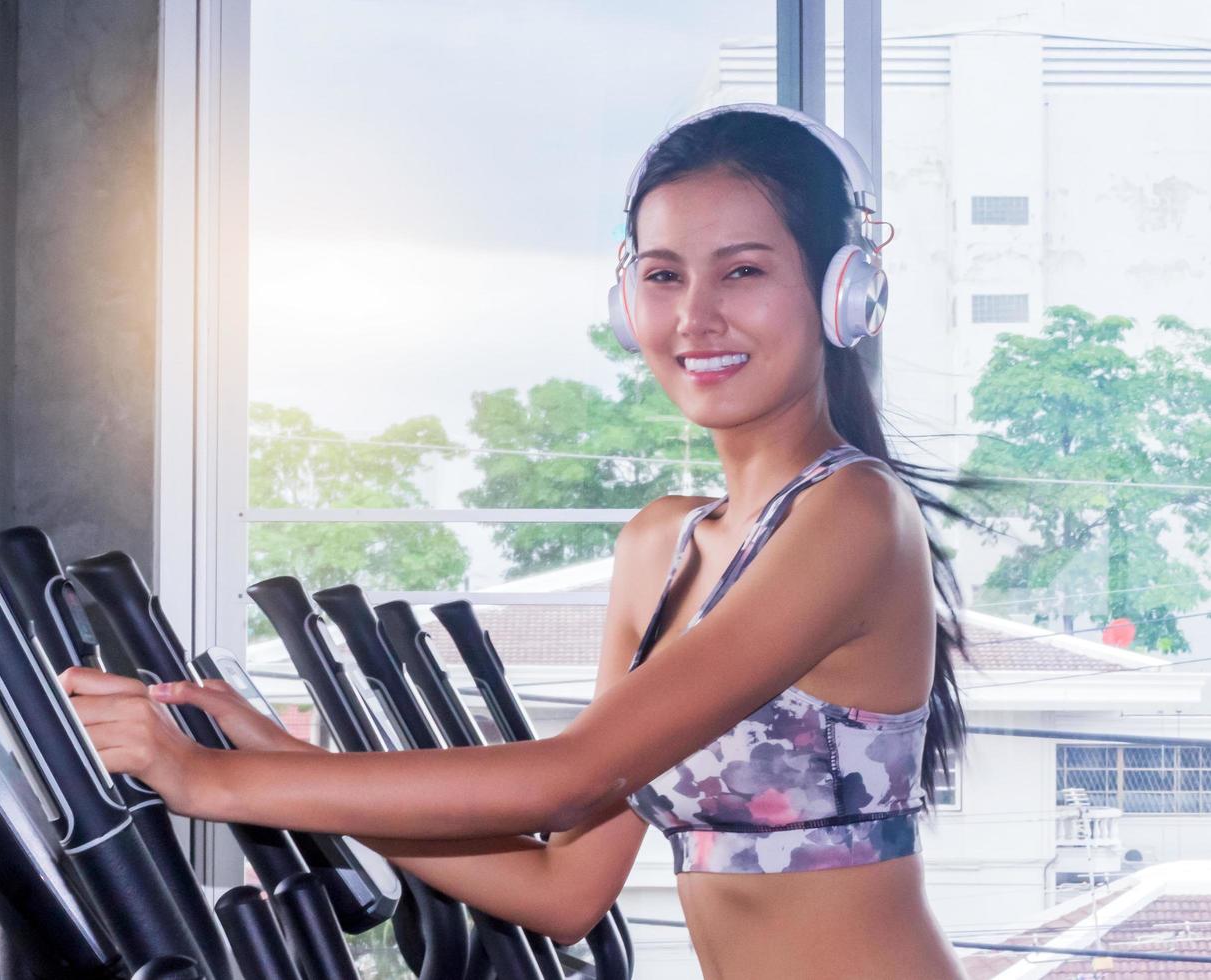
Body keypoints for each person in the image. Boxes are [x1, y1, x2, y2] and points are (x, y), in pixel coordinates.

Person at [62, 104, 993, 978]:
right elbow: (563, 889)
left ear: (844, 293)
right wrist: (278, 761)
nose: (693, 317)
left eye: (743, 271)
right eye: (664, 275)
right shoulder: (659, 546)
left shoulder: (854, 516)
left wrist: (205, 780)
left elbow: (564, 777)